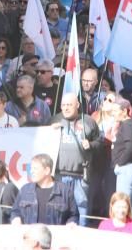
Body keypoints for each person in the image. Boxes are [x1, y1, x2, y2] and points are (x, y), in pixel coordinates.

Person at [50, 92, 102, 226]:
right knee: (58, 205)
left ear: (77, 105)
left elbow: (100, 143)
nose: (66, 108)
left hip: (81, 175)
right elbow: (42, 139)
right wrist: (49, 130)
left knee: (82, 206)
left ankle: (82, 233)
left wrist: (90, 145)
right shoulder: (54, 120)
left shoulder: (89, 121)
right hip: (59, 174)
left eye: (69, 105)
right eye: (63, 105)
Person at [9, 153, 79, 225]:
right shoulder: (25, 190)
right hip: (30, 235)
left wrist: (71, 222)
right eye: (31, 168)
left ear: (47, 171)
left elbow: (74, 215)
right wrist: (16, 218)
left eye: (35, 168)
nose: (31, 171)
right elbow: (15, 211)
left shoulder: (65, 191)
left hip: (56, 235)